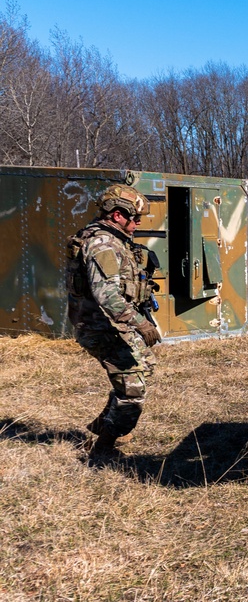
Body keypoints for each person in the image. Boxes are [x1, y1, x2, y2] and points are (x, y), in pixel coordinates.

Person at [66, 184, 162, 458]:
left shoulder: (112, 239)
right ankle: (103, 449)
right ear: (118, 215)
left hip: (112, 324)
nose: (139, 222)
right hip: (101, 327)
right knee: (133, 387)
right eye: (135, 217)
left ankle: (104, 424)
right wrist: (139, 323)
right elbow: (105, 294)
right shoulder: (102, 245)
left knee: (144, 366)